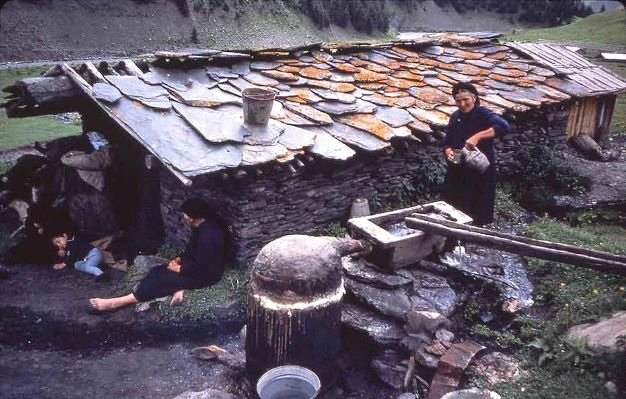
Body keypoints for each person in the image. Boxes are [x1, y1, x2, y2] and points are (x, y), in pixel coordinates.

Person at [89, 197, 227, 312]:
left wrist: (180, 269)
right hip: (194, 266)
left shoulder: (210, 235)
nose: (184, 217)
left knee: (158, 280)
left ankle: (117, 303)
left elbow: (205, 263)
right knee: (158, 270)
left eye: (185, 214)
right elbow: (193, 250)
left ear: (193, 217)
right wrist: (179, 259)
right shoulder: (201, 227)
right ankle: (178, 289)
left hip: (206, 275)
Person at [443, 82, 510, 226]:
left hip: (480, 166)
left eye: (465, 99)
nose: (462, 104)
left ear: (474, 98)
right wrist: (448, 152)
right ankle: (455, 231)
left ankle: (477, 231)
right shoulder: (455, 117)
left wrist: (477, 136)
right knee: (454, 200)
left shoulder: (483, 113)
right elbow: (447, 142)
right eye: (458, 100)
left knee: (479, 202)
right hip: (459, 162)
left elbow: (504, 126)